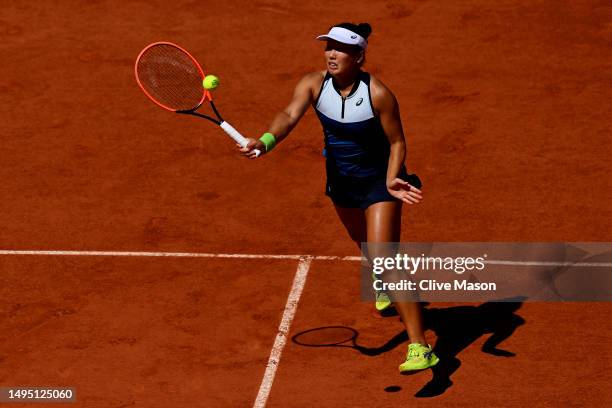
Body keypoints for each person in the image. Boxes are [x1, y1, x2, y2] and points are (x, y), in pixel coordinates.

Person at [238, 22, 439, 372]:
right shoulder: (313, 84)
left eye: (340, 48)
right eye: (328, 46)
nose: (331, 54)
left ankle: (421, 347)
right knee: (364, 244)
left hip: (380, 184)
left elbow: (397, 142)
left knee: (385, 261)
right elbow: (288, 115)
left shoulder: (378, 94)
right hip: (341, 183)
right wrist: (266, 141)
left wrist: (393, 177)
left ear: (359, 56)